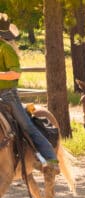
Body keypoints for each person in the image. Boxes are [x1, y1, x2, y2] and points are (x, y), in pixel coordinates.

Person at [0, 13, 59, 174]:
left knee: (27, 126)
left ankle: (50, 160)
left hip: (7, 95)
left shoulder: (6, 49)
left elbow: (15, 74)